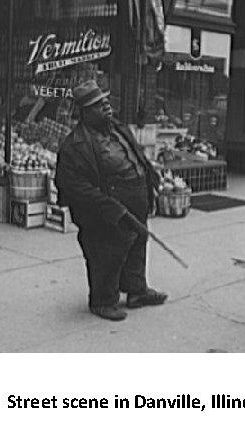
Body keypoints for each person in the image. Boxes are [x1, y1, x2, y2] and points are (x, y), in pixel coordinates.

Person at [55, 80, 168, 321]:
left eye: (106, 101)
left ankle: (137, 291)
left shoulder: (118, 129)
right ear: (85, 113)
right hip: (106, 212)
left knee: (138, 242)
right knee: (106, 253)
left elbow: (138, 157)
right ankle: (103, 301)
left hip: (136, 201)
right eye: (99, 105)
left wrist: (151, 183)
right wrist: (112, 208)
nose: (107, 106)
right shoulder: (75, 146)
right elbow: (74, 187)